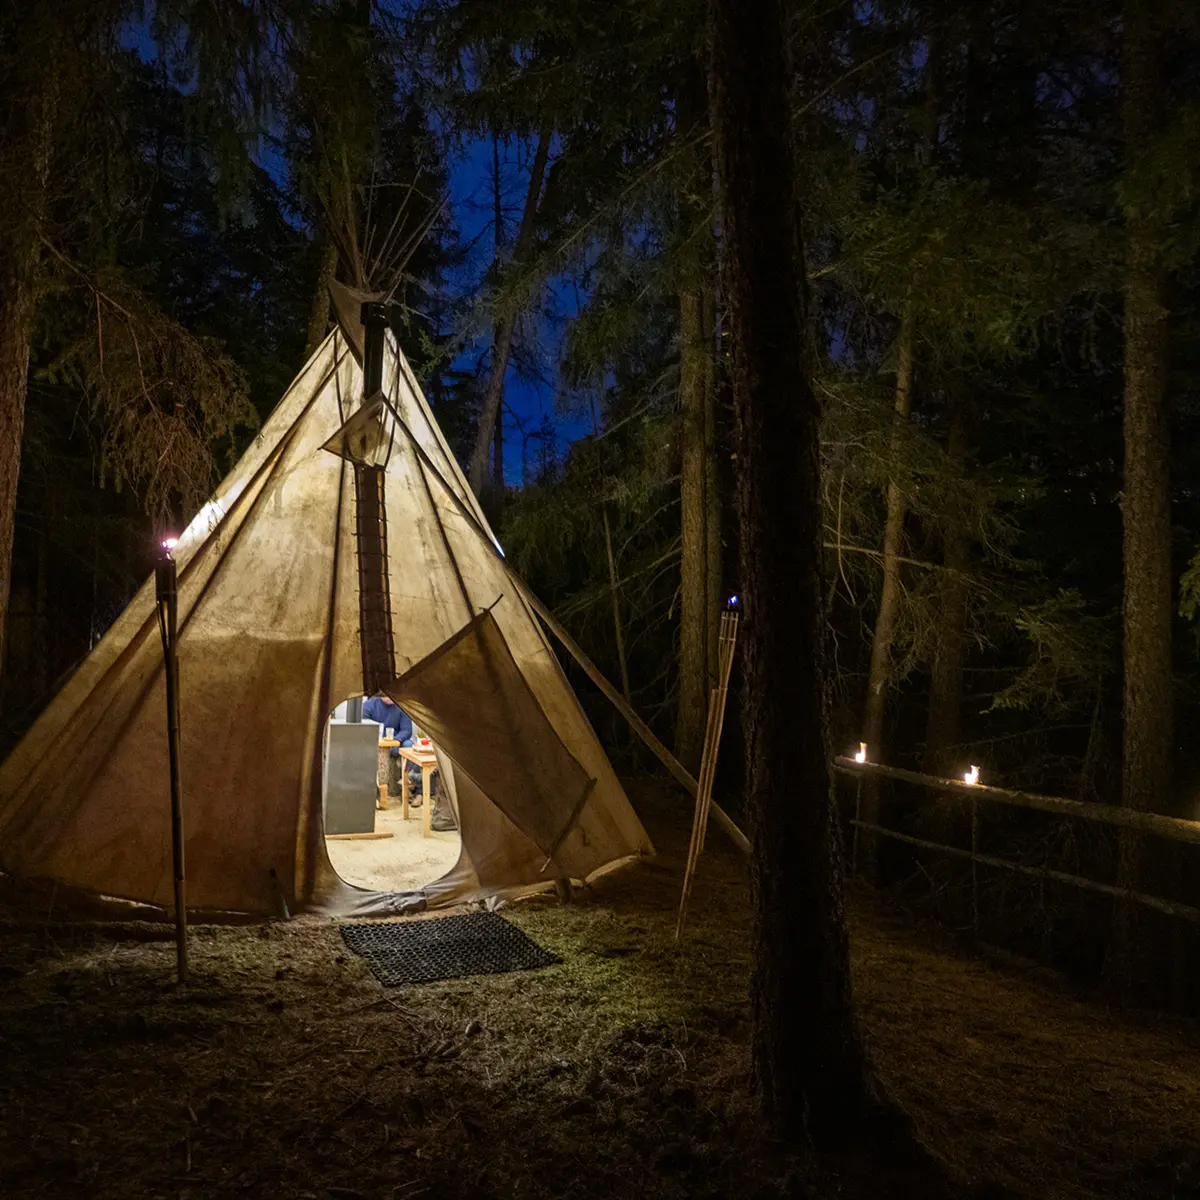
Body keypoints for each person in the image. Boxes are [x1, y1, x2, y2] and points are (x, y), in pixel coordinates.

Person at [361, 694, 416, 806]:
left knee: (409, 745)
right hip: (375, 742)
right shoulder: (369, 705)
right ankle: (376, 791)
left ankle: (408, 784)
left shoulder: (402, 706)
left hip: (396, 742)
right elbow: (363, 726)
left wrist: (396, 740)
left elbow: (407, 730)